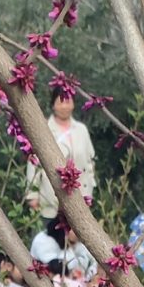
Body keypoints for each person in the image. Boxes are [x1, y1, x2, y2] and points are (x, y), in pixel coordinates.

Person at [24, 88, 98, 218]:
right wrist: (32, 196)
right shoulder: (44, 129)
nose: (64, 106)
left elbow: (89, 162)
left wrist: (89, 193)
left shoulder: (81, 130)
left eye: (68, 101)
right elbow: (33, 163)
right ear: (53, 104)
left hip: (79, 198)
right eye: (60, 102)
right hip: (49, 200)